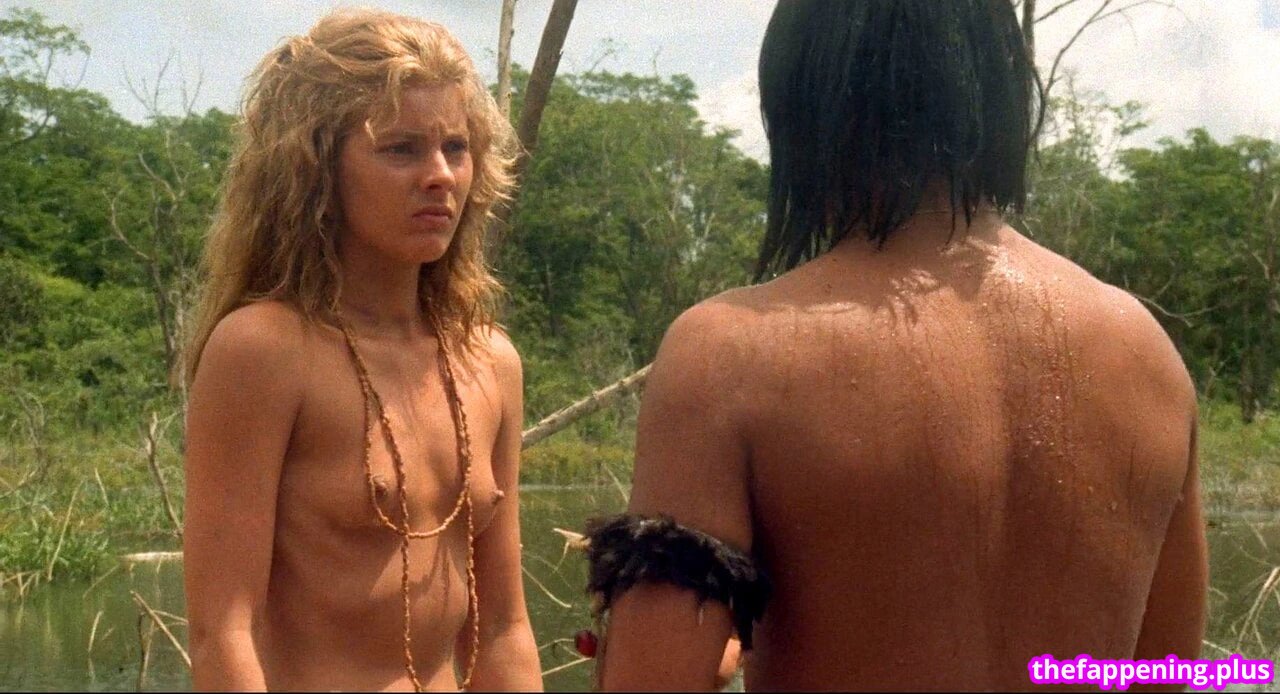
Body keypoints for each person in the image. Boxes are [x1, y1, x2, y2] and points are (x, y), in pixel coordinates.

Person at [587, 0, 1208, 690]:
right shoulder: (1149, 357)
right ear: (1002, 90)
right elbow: (1168, 674)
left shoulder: (728, 356)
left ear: (802, 101)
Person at [181, 9, 541, 691]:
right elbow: (223, 633)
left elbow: (502, 629)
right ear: (316, 169)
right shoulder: (266, 350)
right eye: (401, 149)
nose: (440, 175)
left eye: (456, 147)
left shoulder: (489, 361)